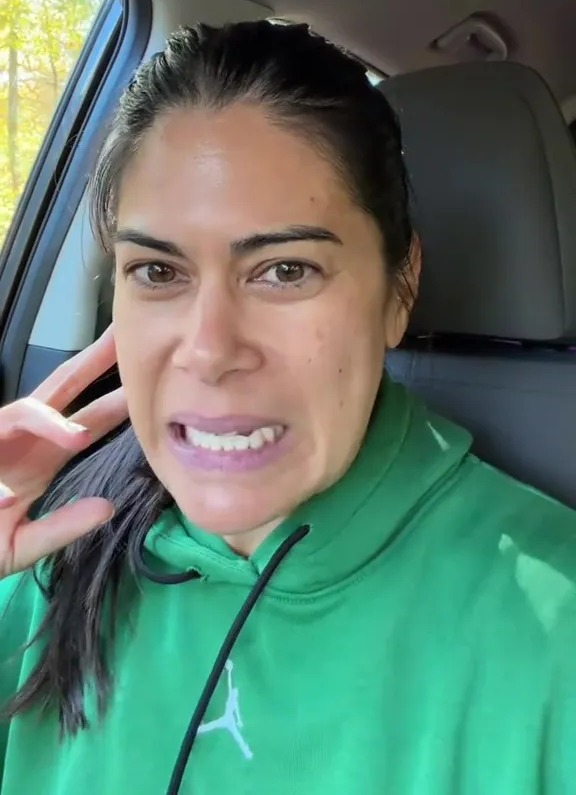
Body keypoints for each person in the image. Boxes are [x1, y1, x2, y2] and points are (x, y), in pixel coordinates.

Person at [0, 20, 574, 795]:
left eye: (285, 269)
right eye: (158, 271)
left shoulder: (551, 634)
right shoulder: (45, 554)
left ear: (400, 288)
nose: (208, 349)